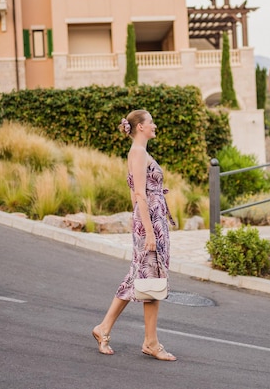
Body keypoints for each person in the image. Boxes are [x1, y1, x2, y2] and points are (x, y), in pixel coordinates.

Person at [91, 109, 177, 361]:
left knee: (139, 278)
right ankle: (151, 342)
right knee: (151, 280)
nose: (154, 125)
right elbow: (139, 194)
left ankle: (104, 328)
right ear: (140, 127)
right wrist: (149, 232)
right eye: (151, 121)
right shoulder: (138, 153)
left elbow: (136, 192)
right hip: (150, 225)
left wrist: (156, 200)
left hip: (152, 221)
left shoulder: (141, 153)